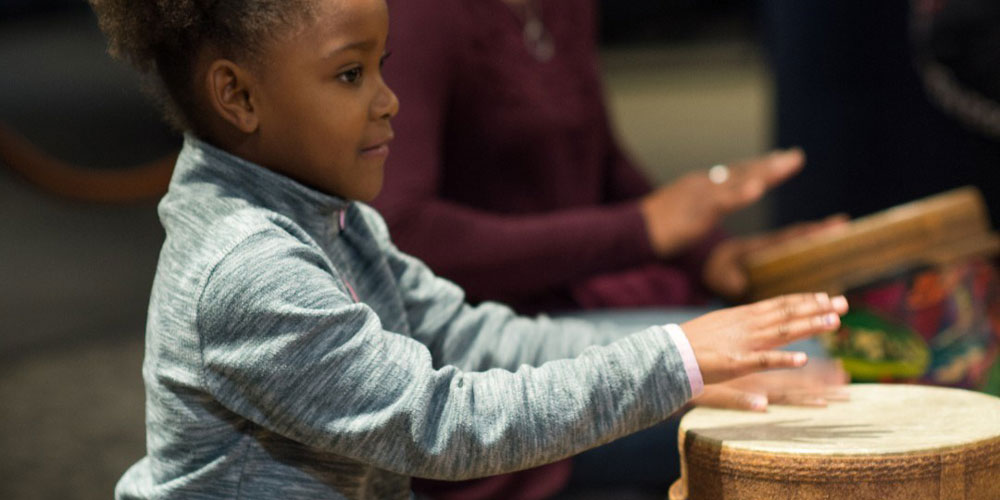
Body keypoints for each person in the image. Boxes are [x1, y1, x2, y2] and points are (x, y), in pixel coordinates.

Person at [86, 0, 849, 499]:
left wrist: (681, 361)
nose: (388, 99)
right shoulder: (249, 269)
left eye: (381, 68)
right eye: (351, 75)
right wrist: (669, 360)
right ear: (239, 96)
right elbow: (441, 423)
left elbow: (481, 338)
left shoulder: (330, 218)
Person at [374, 0, 830, 316]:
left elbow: (602, 165)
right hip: (485, 336)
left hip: (578, 299)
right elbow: (403, 230)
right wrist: (642, 229)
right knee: (798, 366)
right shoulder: (420, 14)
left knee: (820, 330)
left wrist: (712, 254)